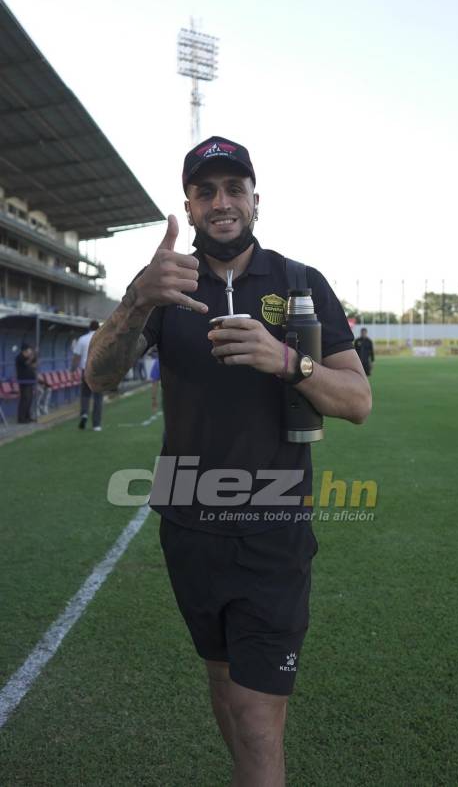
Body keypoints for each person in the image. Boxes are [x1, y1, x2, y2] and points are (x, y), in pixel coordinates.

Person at [86, 136, 372, 787]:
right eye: (206, 191)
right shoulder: (164, 285)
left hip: (273, 530)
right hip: (188, 531)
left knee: (253, 714)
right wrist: (136, 300)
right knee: (223, 686)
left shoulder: (301, 283)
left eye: (234, 189)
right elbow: (99, 380)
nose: (222, 202)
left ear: (255, 201)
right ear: (188, 207)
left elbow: (357, 401)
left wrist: (287, 361)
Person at [72, 320, 103, 431]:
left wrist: (72, 370)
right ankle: (96, 425)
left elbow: (76, 356)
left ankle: (84, 414)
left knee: (85, 395)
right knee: (98, 399)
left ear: (89, 328)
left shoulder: (82, 339)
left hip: (86, 370)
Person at [15, 343, 36, 423]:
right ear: (24, 350)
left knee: (29, 399)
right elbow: (27, 362)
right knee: (25, 399)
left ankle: (27, 417)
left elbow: (34, 364)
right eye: (28, 350)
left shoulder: (27, 357)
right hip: (24, 381)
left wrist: (35, 355)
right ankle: (21, 419)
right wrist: (32, 355)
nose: (29, 351)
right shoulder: (20, 357)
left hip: (30, 381)